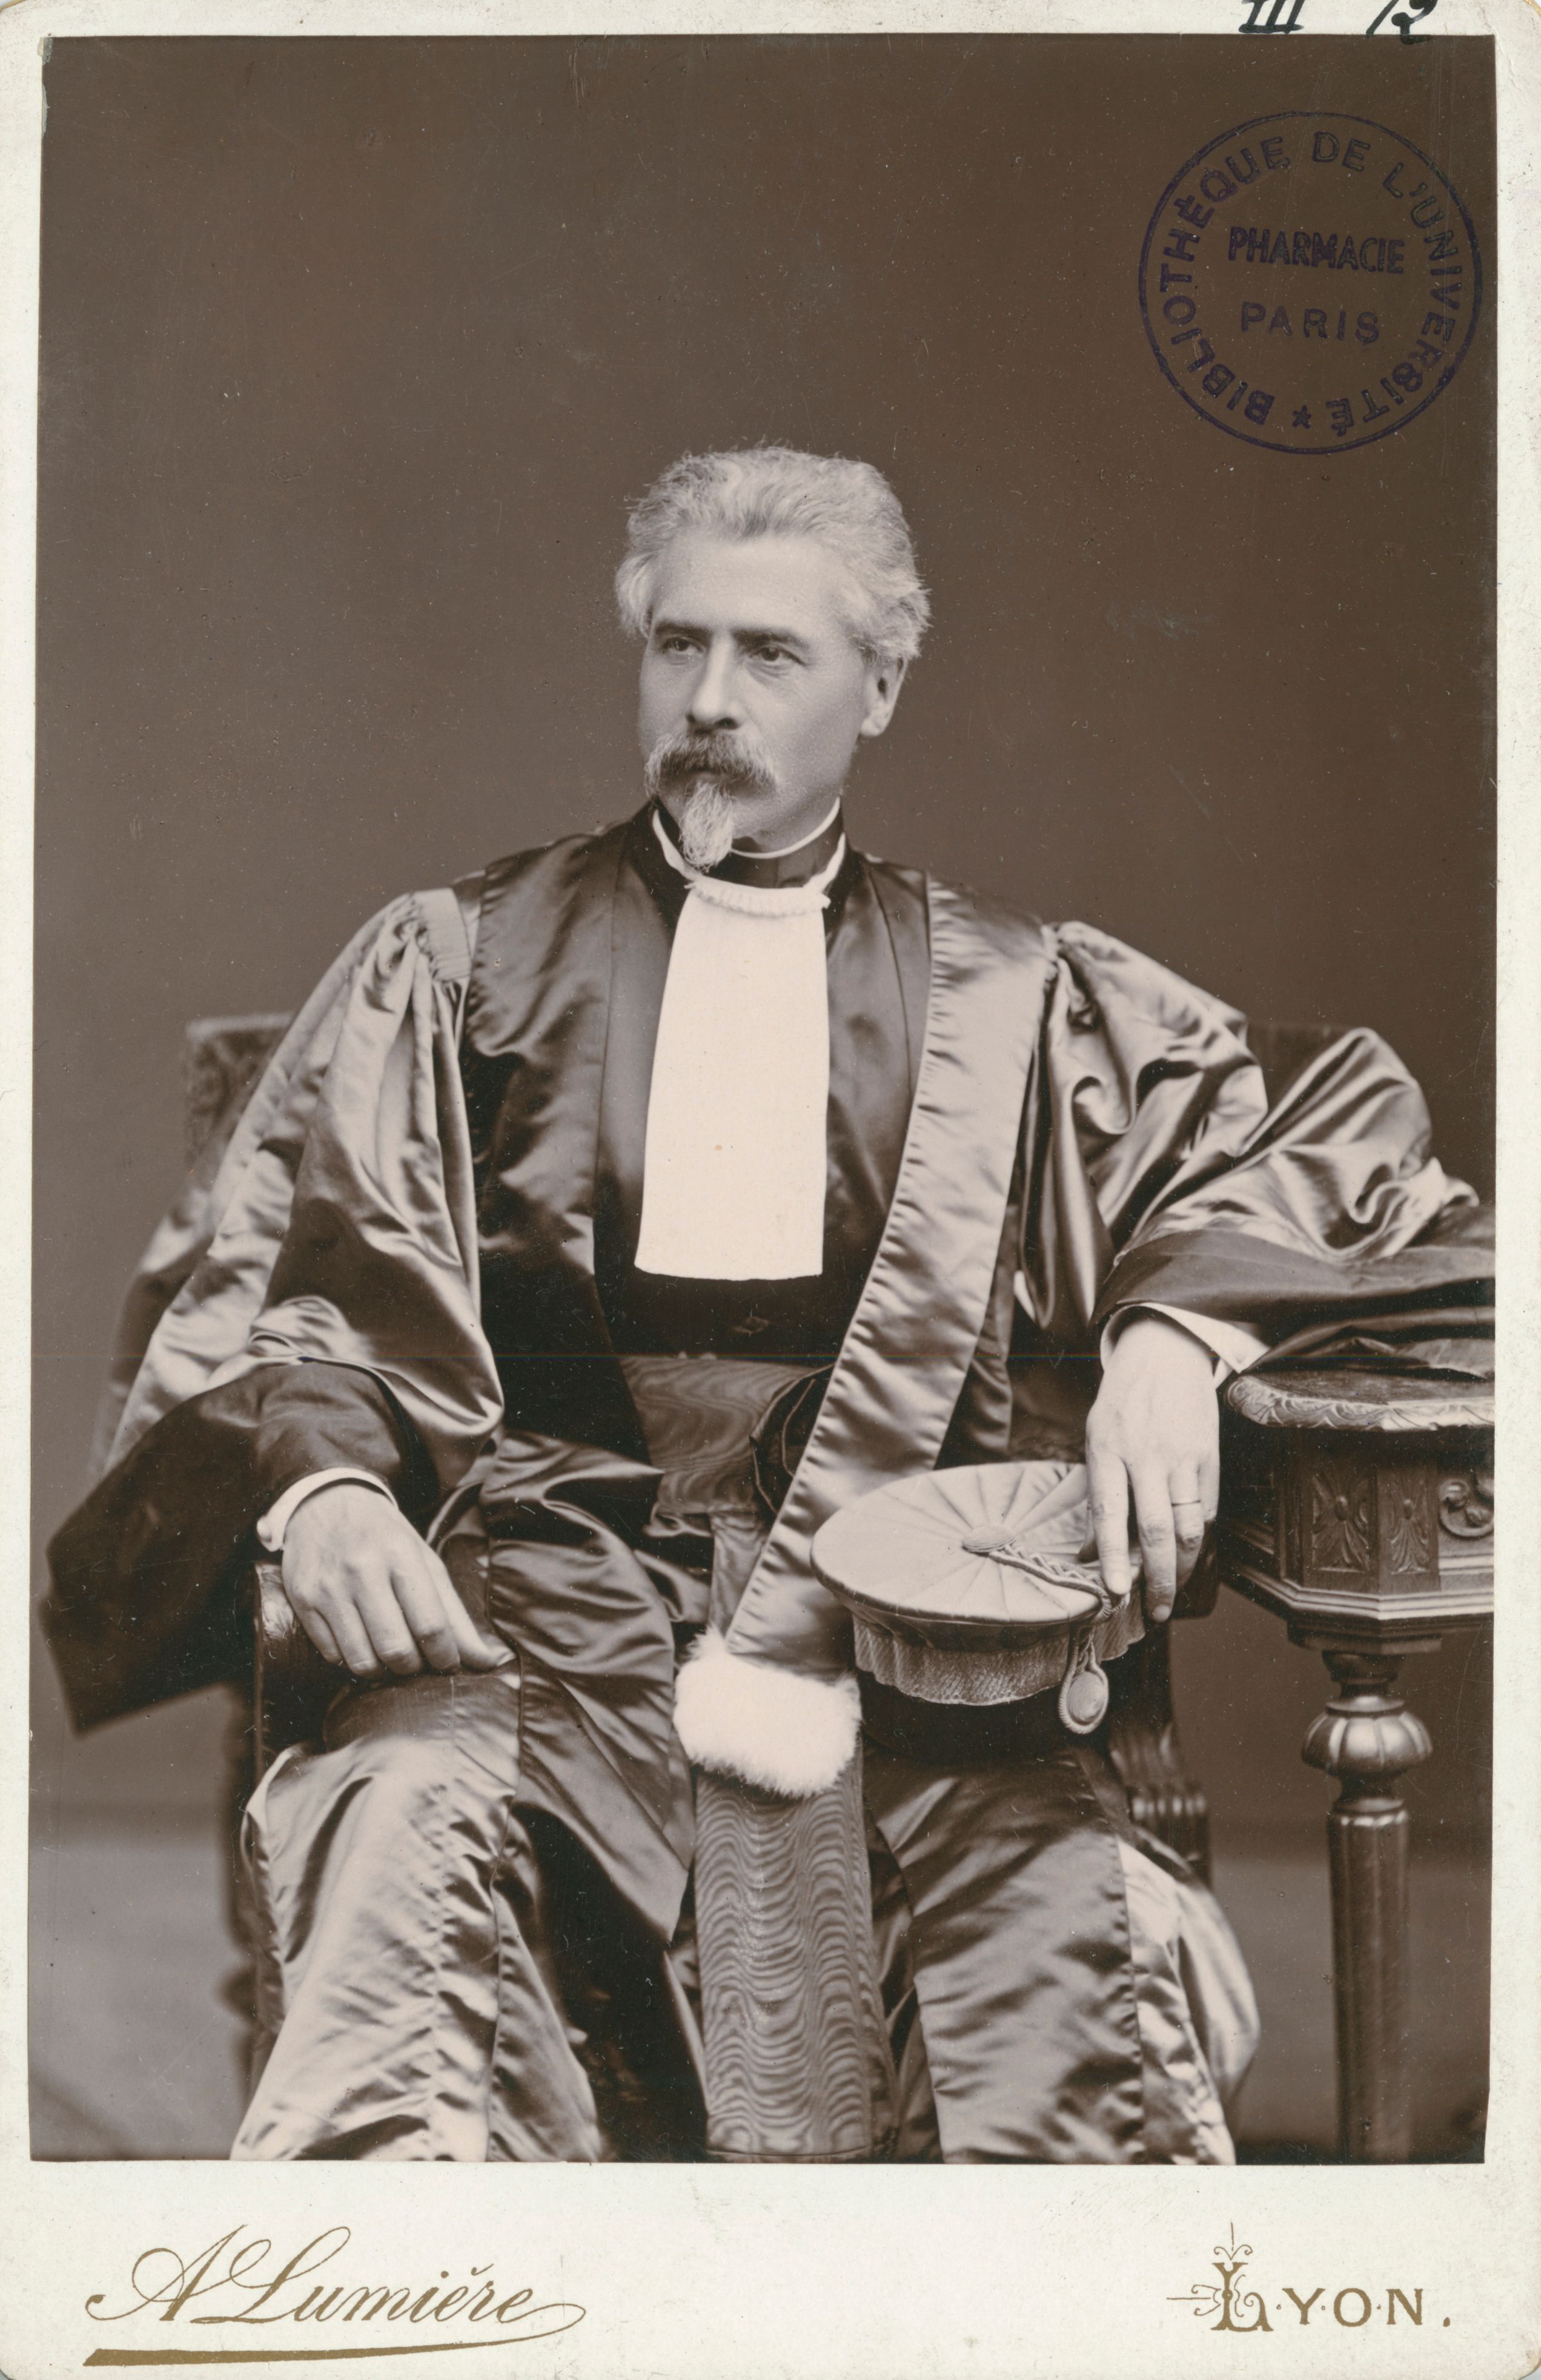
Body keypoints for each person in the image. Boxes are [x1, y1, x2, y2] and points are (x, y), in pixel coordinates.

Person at [47, 446, 1485, 2164]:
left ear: (879, 688)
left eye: (772, 655)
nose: (711, 699)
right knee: (412, 1840)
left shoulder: (1018, 997)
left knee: (1062, 1929)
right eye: (680, 644)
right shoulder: (459, 961)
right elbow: (318, 1290)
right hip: (537, 1604)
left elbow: (1337, 1133)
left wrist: (1179, 1333)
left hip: (908, 1634)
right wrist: (331, 1487)